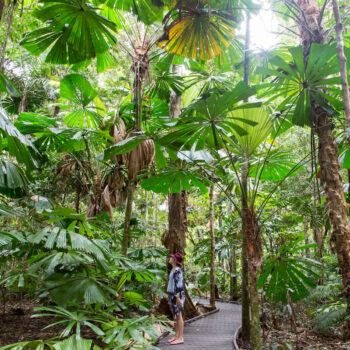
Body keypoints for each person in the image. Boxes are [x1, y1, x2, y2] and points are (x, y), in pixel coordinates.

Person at [167, 252, 185, 345]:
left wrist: (178, 298)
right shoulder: (173, 269)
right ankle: (176, 336)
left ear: (174, 260)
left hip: (177, 295)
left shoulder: (177, 270)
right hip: (172, 294)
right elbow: (172, 283)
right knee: (175, 316)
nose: (170, 258)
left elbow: (179, 284)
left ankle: (180, 337)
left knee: (179, 316)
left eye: (172, 257)